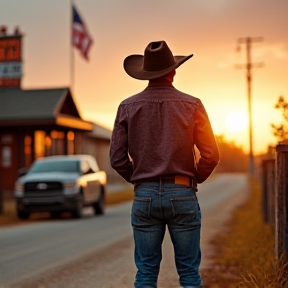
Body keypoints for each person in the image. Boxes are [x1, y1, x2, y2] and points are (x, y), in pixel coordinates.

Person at [110, 40, 219, 288]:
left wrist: (141, 179)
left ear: (146, 74)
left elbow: (116, 158)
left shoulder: (126, 106)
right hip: (182, 192)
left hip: (144, 195)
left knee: (146, 273)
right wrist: (192, 178)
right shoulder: (193, 105)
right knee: (189, 274)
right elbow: (211, 154)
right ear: (173, 71)